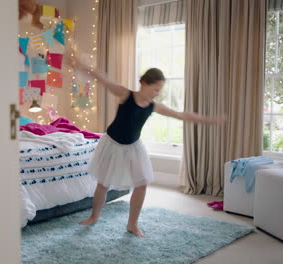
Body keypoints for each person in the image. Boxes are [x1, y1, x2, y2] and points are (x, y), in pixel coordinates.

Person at [70, 57, 226, 238]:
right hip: (112, 144)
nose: (156, 94)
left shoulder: (153, 106)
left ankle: (132, 224)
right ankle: (94, 216)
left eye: (159, 91)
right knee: (103, 184)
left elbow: (181, 115)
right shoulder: (125, 95)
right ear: (144, 83)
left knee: (142, 184)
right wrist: (79, 65)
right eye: (155, 89)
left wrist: (209, 120)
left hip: (133, 146)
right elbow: (103, 79)